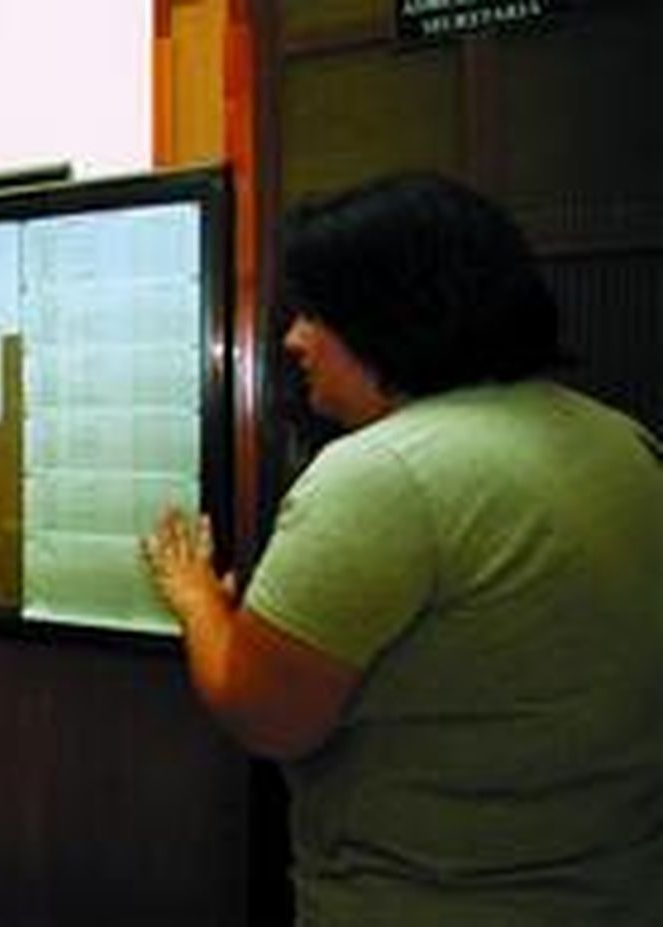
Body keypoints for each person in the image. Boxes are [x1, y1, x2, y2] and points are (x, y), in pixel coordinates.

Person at [141, 173, 663, 925]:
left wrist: (196, 596)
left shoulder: (381, 474)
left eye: (313, 312)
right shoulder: (615, 435)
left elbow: (265, 715)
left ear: (386, 313)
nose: (292, 339)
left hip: (428, 897)